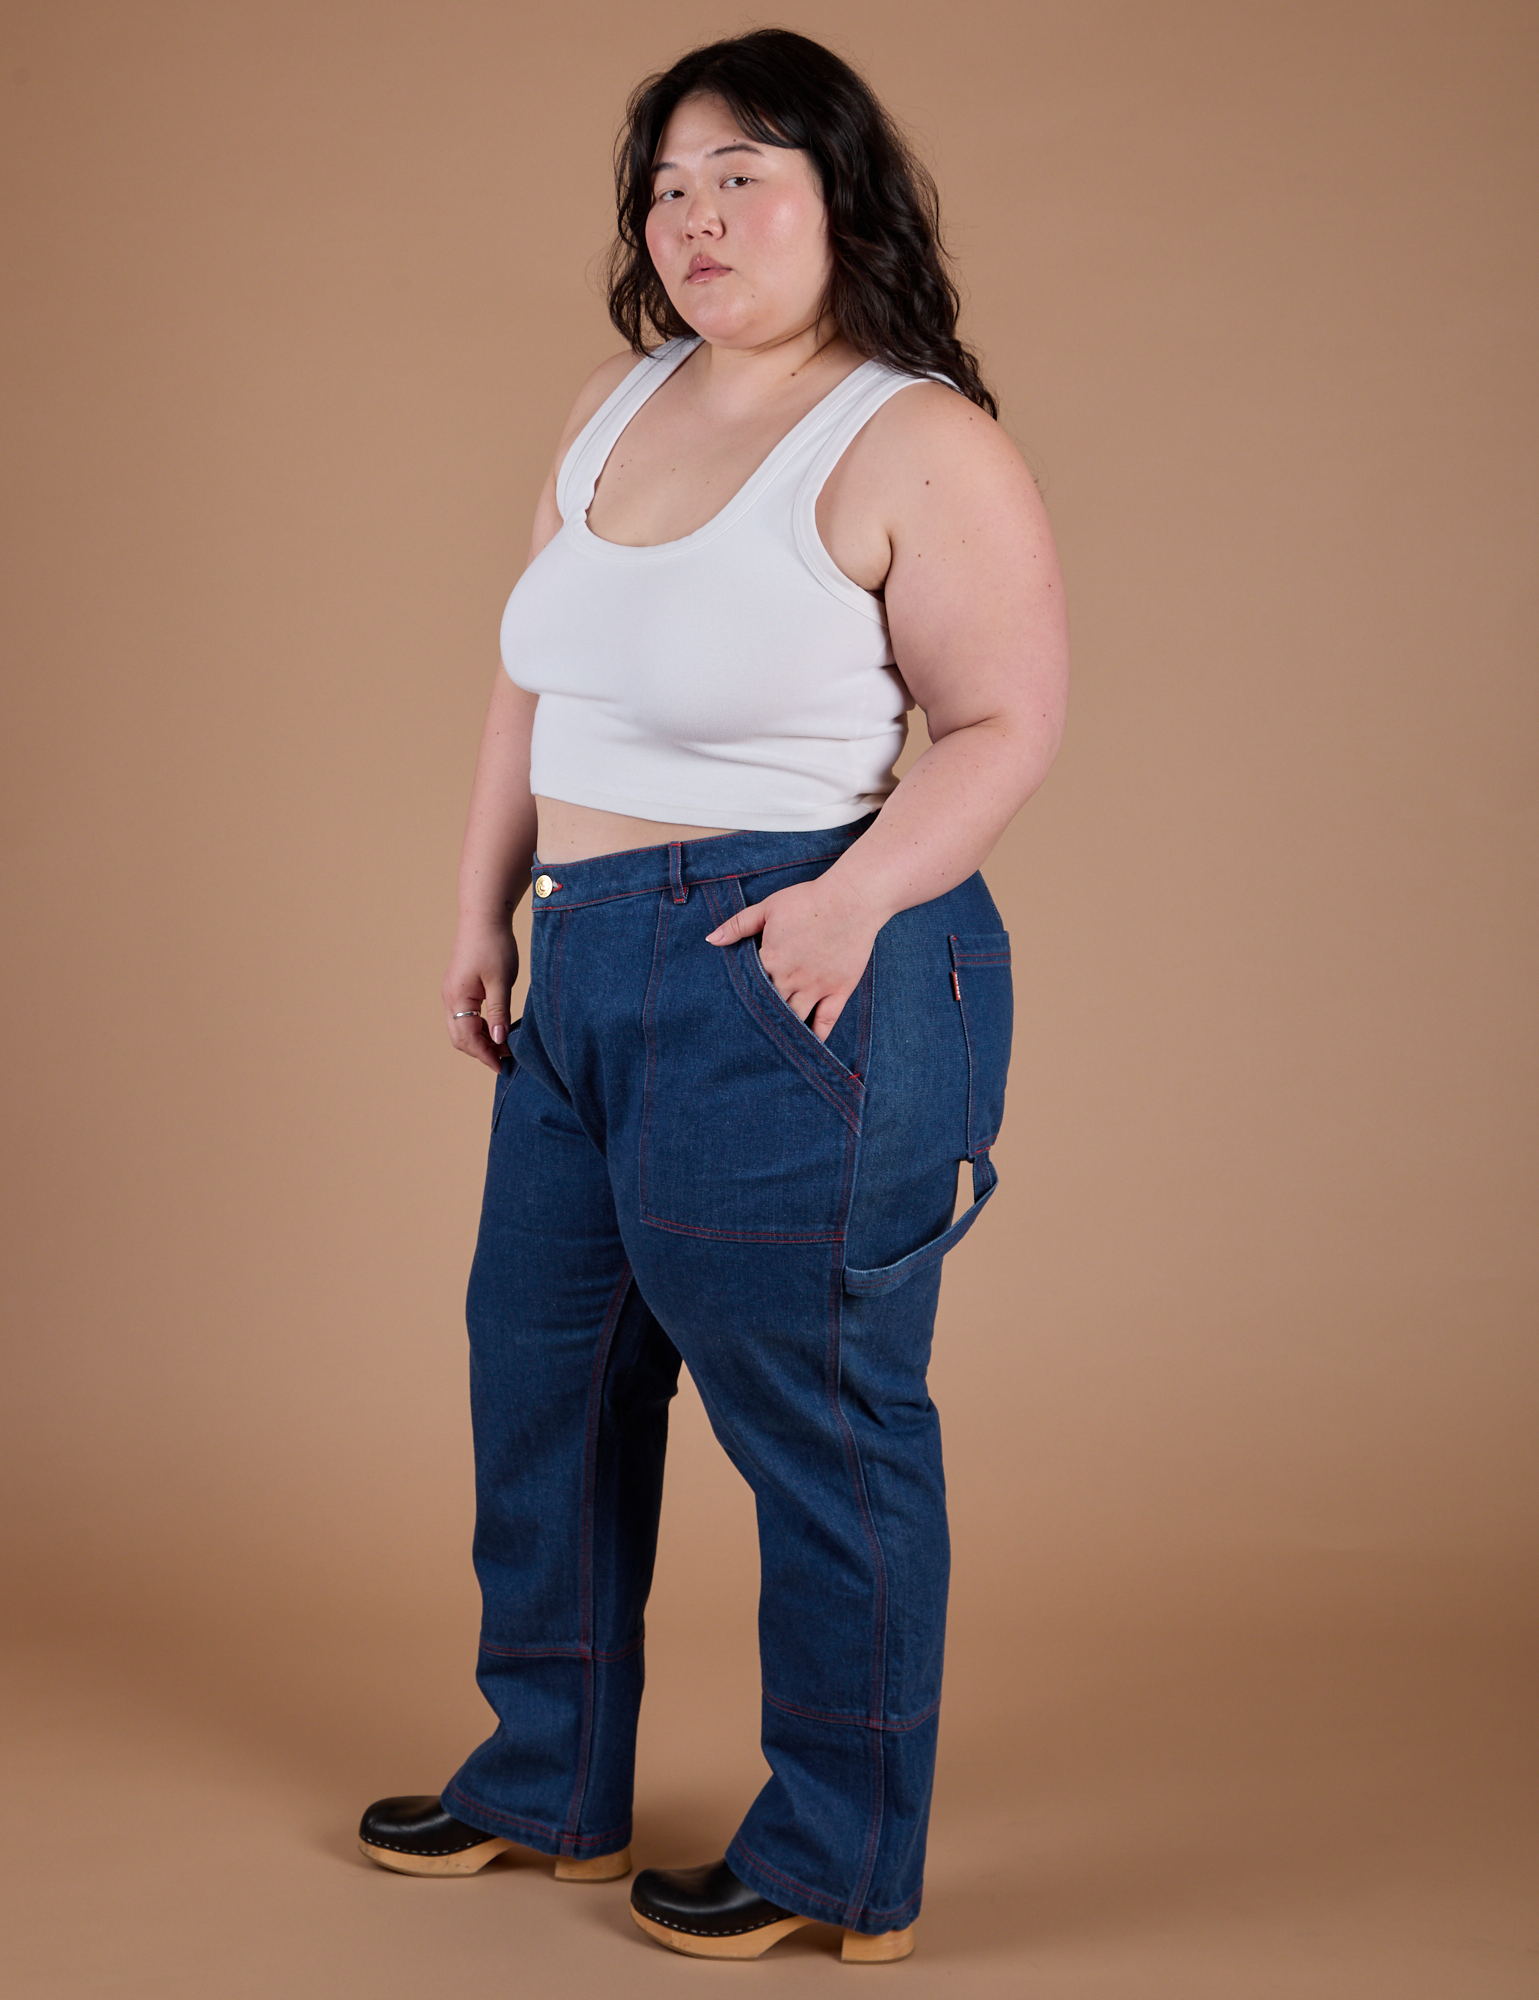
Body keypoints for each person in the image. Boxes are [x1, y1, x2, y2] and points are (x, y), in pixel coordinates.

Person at [358, 27, 1068, 1965]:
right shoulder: (614, 402)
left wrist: (849, 906)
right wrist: (482, 907)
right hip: (584, 950)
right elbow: (532, 681)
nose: (696, 216)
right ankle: (546, 1779)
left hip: (791, 960)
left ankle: (837, 1857)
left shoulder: (916, 438)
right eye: (668, 185)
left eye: (742, 174)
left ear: (845, 196)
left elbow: (1004, 723)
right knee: (544, 1381)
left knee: (817, 1421)